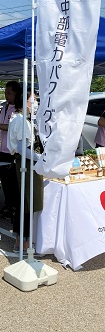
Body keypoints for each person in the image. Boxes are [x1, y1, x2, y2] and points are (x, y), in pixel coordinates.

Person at [7, 91, 43, 253]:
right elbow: (22, 149)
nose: (35, 102)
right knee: (26, 204)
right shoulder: (21, 121)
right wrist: (41, 158)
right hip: (25, 165)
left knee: (24, 203)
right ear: (26, 102)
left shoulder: (21, 118)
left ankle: (20, 240)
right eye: (33, 100)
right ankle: (23, 243)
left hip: (25, 164)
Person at [0, 80, 21, 220]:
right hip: (2, 149)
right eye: (6, 93)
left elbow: (11, 128)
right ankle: (7, 205)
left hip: (11, 151)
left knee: (12, 181)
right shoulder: (4, 106)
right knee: (4, 181)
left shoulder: (18, 110)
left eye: (10, 93)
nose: (7, 96)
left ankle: (13, 207)